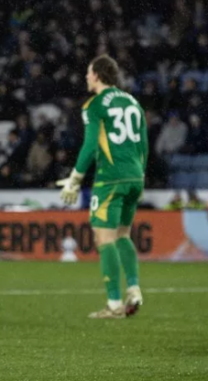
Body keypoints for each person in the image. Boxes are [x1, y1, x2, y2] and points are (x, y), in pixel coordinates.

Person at [56, 55, 147, 319]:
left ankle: (115, 304)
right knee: (123, 235)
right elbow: (143, 144)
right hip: (135, 177)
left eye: (88, 72)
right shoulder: (133, 101)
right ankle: (134, 289)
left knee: (103, 238)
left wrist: (75, 178)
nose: (86, 77)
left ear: (96, 74)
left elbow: (91, 145)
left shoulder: (94, 105)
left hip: (110, 178)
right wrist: (140, 176)